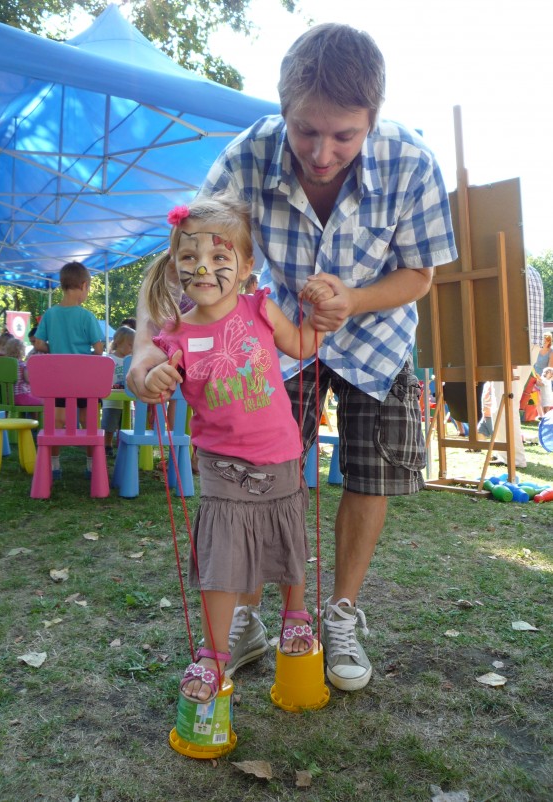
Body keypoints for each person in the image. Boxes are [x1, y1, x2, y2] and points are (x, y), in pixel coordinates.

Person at [128, 24, 457, 693]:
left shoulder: (413, 162)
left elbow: (420, 274)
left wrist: (354, 300)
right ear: (283, 110)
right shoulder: (247, 156)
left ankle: (338, 615)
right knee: (259, 475)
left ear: (373, 119)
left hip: (378, 336)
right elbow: (185, 259)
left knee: (370, 477)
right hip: (272, 338)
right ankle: (247, 623)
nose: (322, 151)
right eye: (306, 130)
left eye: (344, 135)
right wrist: (141, 350)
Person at [140, 192, 333, 702]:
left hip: (281, 454)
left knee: (289, 541)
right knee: (222, 559)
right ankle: (213, 653)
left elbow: (304, 346)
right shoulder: (175, 333)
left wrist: (318, 318)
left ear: (247, 267)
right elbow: (142, 375)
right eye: (189, 257)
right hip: (223, 468)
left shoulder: (261, 308)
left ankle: (296, 616)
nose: (203, 268)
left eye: (219, 257)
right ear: (175, 263)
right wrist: (150, 377)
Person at [34, 261, 104, 478]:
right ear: (84, 285)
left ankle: (54, 466)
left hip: (57, 381)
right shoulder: (86, 316)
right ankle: (92, 465)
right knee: (89, 422)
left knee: (56, 423)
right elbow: (99, 349)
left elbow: (37, 344)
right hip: (83, 382)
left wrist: (54, 349)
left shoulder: (50, 314)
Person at [491, 264, 544, 467]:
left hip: (514, 340)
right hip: (529, 341)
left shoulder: (509, 268)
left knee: (504, 399)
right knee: (505, 398)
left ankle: (513, 457)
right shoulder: (531, 270)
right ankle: (507, 453)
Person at [101, 325, 135, 457]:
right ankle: (107, 445)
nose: (132, 349)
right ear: (119, 342)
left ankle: (123, 446)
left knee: (126, 425)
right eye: (130, 345)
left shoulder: (131, 360)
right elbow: (104, 377)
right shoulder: (110, 359)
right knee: (109, 424)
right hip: (112, 399)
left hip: (127, 400)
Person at [3, 336, 44, 406]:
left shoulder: (4, 365)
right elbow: (28, 380)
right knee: (42, 401)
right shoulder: (22, 365)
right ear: (21, 351)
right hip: (20, 396)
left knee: (33, 399)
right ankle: (34, 417)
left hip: (6, 398)